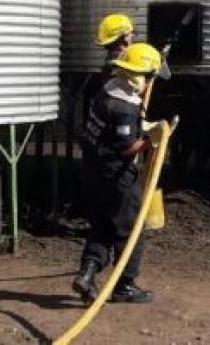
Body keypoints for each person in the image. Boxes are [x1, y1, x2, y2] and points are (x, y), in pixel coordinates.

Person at [72, 41, 168, 304]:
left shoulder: (106, 91)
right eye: (151, 77)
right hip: (117, 177)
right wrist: (153, 140)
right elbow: (127, 148)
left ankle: (87, 274)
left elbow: (108, 133)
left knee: (102, 226)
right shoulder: (125, 108)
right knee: (132, 229)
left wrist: (144, 127)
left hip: (92, 173)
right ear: (143, 76)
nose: (151, 82)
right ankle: (125, 285)